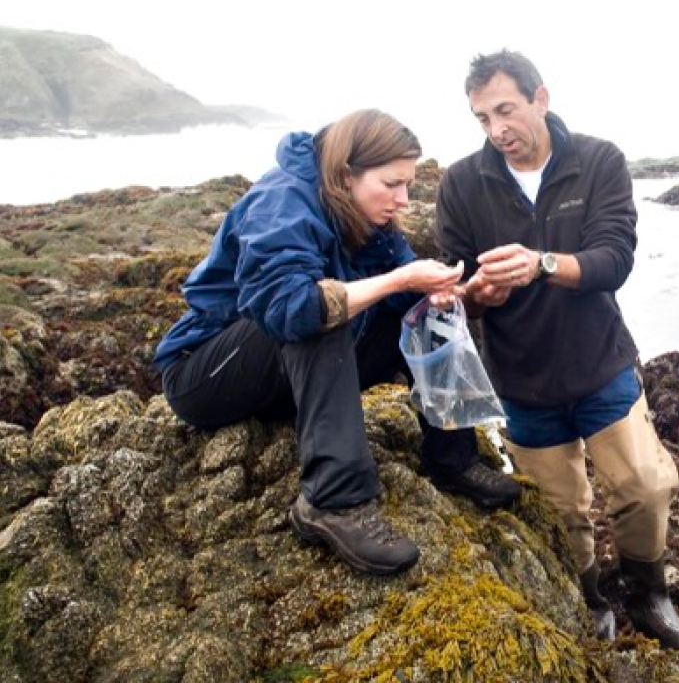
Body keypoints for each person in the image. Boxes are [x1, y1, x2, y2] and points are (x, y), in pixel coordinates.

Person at [154, 109, 521, 577]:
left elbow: (403, 289)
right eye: (391, 184)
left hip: (281, 380)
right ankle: (333, 500)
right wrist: (400, 279)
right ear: (348, 174)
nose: (403, 200)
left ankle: (452, 459)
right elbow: (290, 309)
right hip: (202, 376)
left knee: (426, 311)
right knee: (319, 313)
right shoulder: (282, 201)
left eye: (408, 185)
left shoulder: (368, 215)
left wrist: (456, 292)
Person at [434, 50, 679, 652]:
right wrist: (476, 294)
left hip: (600, 362)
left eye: (506, 110)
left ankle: (648, 594)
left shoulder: (597, 161)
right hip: (522, 378)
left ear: (541, 98)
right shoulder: (461, 184)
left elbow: (615, 259)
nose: (497, 129)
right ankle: (591, 601)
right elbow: (455, 284)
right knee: (560, 511)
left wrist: (542, 264)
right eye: (483, 118)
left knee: (644, 487)